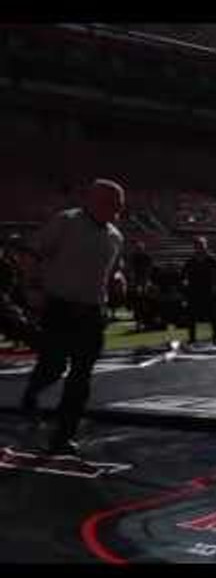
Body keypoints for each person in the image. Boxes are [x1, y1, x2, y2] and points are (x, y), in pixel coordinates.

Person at [20, 179, 125, 455]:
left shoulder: (115, 236)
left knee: (81, 376)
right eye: (111, 202)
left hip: (92, 312)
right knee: (54, 365)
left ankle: (63, 434)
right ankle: (32, 393)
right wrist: (32, 287)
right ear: (92, 200)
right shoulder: (66, 222)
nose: (116, 208)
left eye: (118, 204)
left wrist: (117, 279)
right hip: (60, 306)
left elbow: (113, 268)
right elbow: (32, 254)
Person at [181, 236, 216, 345]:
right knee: (191, 315)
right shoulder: (190, 261)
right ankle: (192, 338)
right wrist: (185, 283)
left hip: (208, 289)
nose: (200, 247)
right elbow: (183, 274)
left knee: (212, 314)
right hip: (194, 290)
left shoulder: (211, 259)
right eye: (197, 245)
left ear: (205, 246)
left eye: (202, 245)